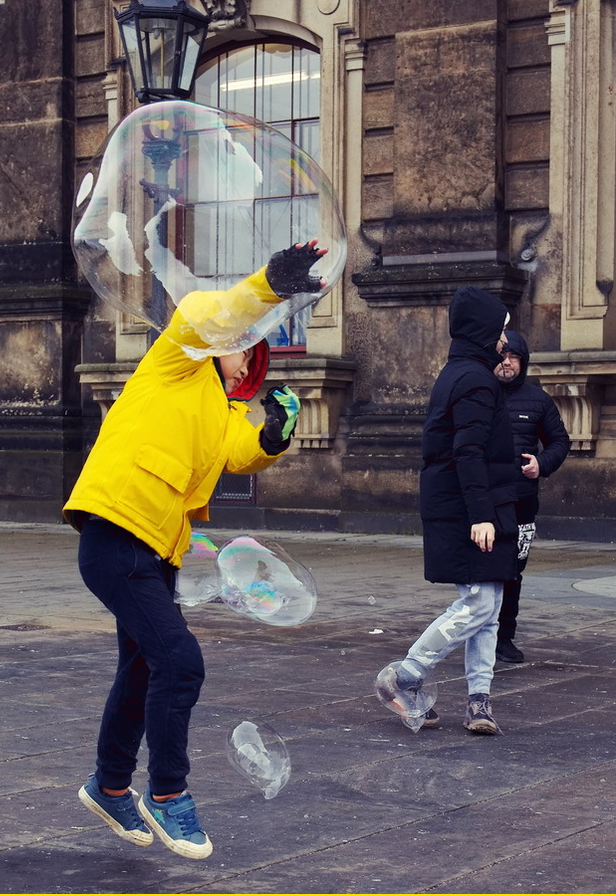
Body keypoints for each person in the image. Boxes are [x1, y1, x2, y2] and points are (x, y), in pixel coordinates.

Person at [64, 241, 325, 859]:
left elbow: (241, 450)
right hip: (119, 531)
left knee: (144, 666)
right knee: (180, 663)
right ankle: (169, 794)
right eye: (244, 352)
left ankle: (108, 785)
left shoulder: (220, 403)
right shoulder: (176, 360)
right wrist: (271, 283)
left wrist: (274, 433)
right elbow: (212, 311)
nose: (247, 367)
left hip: (157, 548)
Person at [378, 286, 518, 735]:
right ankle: (405, 676)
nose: (505, 341)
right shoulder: (475, 379)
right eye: (500, 331)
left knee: (489, 606)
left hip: (473, 502)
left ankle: (479, 701)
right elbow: (468, 450)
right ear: (483, 333)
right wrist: (481, 514)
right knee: (478, 603)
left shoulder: (462, 372)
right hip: (466, 505)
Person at [492, 331, 570, 664]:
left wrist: (542, 464)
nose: (506, 363)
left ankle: (503, 637)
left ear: (522, 362)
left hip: (522, 503)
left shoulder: (537, 399)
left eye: (513, 357)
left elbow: (560, 442)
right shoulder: (476, 394)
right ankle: (478, 633)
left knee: (512, 570)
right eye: (501, 356)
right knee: (483, 571)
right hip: (484, 500)